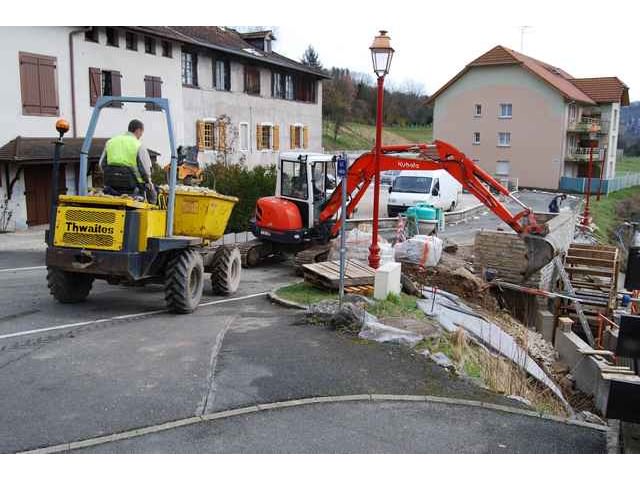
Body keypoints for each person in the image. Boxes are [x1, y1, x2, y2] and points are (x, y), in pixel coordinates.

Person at [100, 119, 157, 203]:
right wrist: (149, 183)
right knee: (154, 197)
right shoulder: (138, 145)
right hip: (134, 188)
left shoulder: (110, 142)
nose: (141, 135)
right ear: (138, 130)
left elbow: (101, 164)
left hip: (111, 186)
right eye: (142, 132)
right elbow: (146, 170)